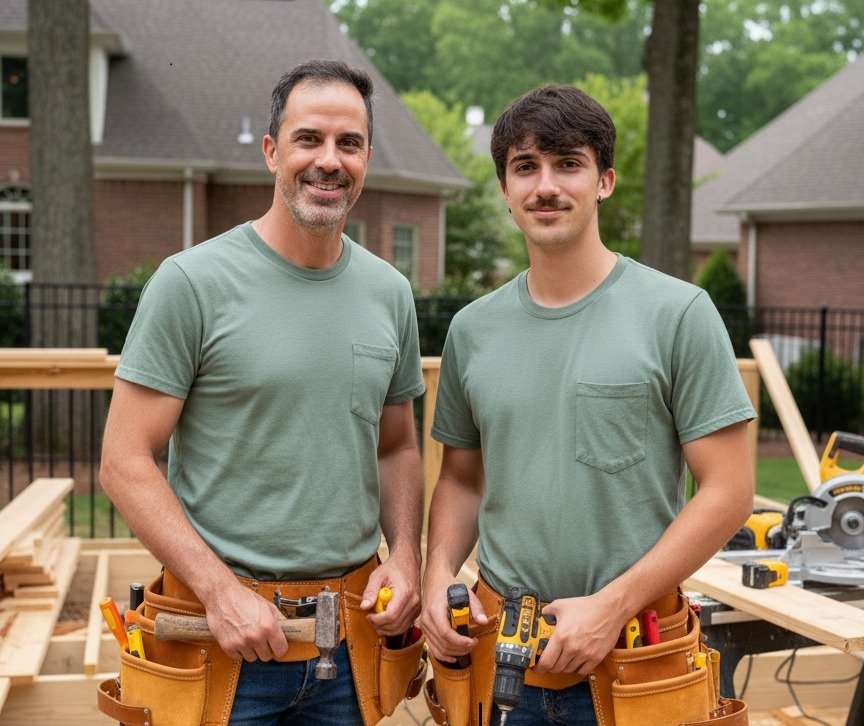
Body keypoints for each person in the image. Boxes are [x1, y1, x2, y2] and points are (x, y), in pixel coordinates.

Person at [100, 59, 426, 725]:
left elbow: (396, 446)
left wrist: (407, 557)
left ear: (366, 159)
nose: (329, 160)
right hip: (219, 640)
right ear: (273, 151)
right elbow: (123, 461)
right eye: (309, 139)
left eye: (349, 143)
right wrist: (219, 592)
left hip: (349, 644)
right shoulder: (191, 284)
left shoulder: (390, 293)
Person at [419, 84, 756, 725]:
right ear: (505, 188)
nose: (546, 186)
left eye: (568, 164)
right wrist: (438, 577)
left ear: (604, 181)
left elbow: (729, 491)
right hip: (503, 657)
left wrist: (612, 606)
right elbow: (462, 479)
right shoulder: (472, 330)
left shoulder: (678, 314)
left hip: (635, 657)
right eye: (525, 167)